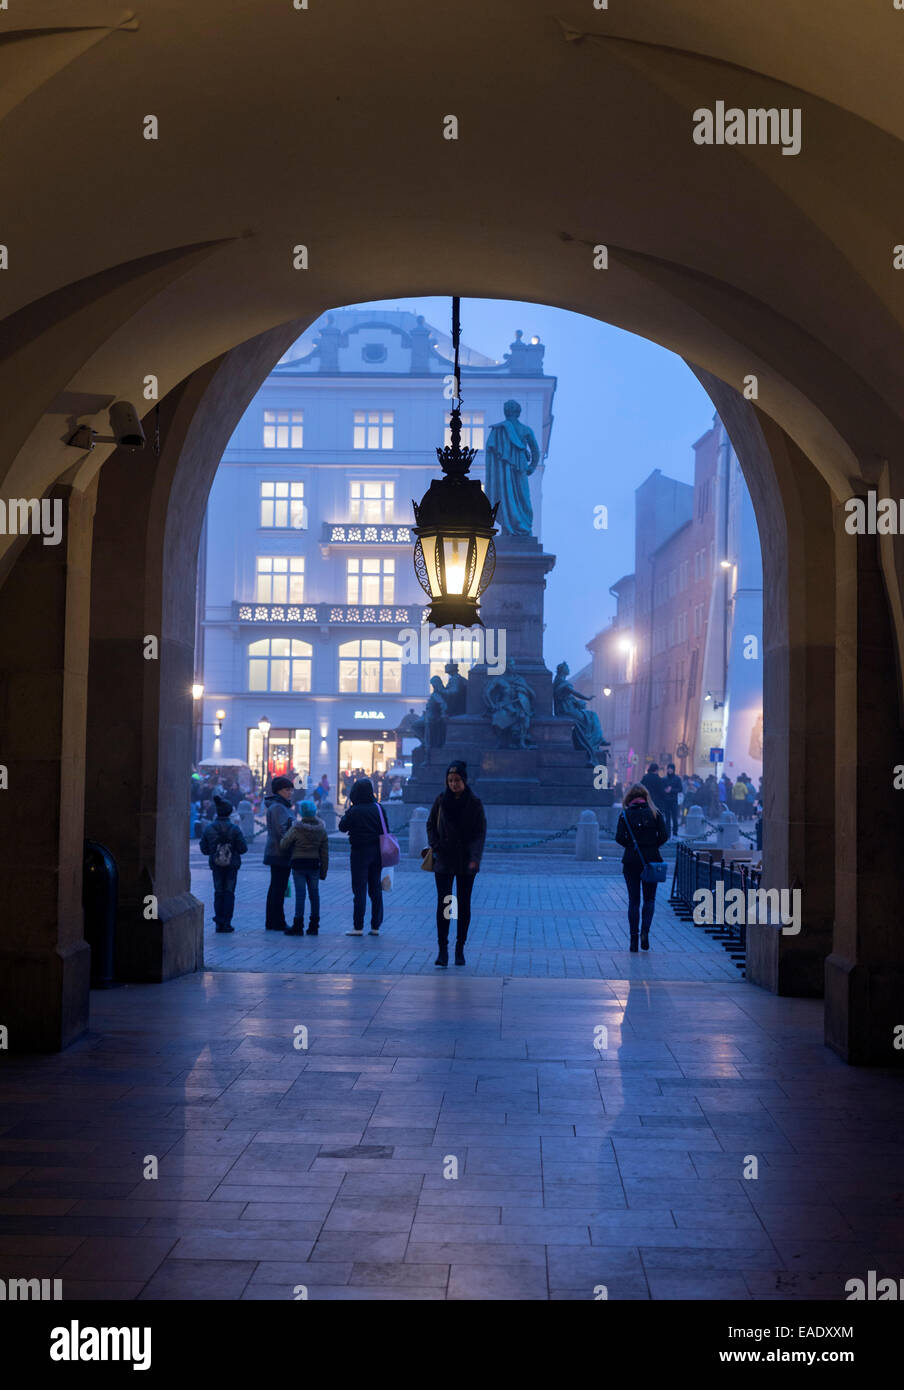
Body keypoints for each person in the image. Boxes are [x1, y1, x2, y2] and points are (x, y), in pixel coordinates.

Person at [425, 760, 487, 968]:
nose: (453, 784)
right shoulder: (441, 801)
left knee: (463, 906)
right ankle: (443, 949)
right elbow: (430, 824)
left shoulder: (475, 803)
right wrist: (436, 844)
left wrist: (474, 858)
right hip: (444, 860)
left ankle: (460, 948)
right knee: (445, 905)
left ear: (464, 780)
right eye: (450, 780)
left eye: (457, 780)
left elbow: (480, 833)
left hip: (466, 862)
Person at [615, 782, 669, 952]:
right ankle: (645, 932)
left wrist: (631, 846)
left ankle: (633, 939)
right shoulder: (655, 813)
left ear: (629, 798)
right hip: (651, 860)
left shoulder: (625, 814)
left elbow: (619, 837)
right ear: (646, 797)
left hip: (631, 861)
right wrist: (652, 846)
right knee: (650, 899)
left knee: (633, 901)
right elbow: (665, 836)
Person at [338, 778, 384, 937]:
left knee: (359, 890)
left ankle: (358, 927)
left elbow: (342, 827)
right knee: (375, 889)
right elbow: (386, 829)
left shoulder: (355, 810)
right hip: (377, 852)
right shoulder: (378, 808)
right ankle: (376, 926)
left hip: (359, 853)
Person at [199, 794, 248, 933]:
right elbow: (243, 848)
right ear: (230, 812)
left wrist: (215, 851)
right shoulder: (235, 829)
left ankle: (218, 922)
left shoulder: (209, 828)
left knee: (218, 892)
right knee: (229, 892)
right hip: (232, 865)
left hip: (216, 865)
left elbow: (204, 848)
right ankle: (226, 922)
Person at [279, 799, 328, 936]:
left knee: (300, 896)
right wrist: (323, 872)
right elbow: (324, 854)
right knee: (314, 894)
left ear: (301, 812)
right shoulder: (321, 830)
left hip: (298, 864)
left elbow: (284, 844)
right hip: (314, 865)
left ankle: (298, 925)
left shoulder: (296, 828)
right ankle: (314, 926)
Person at [263, 775, 295, 931]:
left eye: (291, 790)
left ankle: (274, 921)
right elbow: (283, 831)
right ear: (279, 791)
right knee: (278, 888)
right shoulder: (278, 807)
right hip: (279, 853)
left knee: (277, 888)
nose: (290, 793)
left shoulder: (281, 806)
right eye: (287, 790)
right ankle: (277, 922)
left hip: (279, 852)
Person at [661, 762, 682, 837]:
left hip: (674, 800)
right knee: (667, 818)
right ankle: (668, 833)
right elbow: (661, 789)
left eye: (671, 769)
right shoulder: (664, 779)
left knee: (674, 818)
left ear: (673, 770)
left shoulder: (677, 779)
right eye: (668, 769)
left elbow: (680, 789)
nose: (669, 770)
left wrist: (671, 790)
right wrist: (665, 790)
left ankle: (675, 833)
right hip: (666, 801)